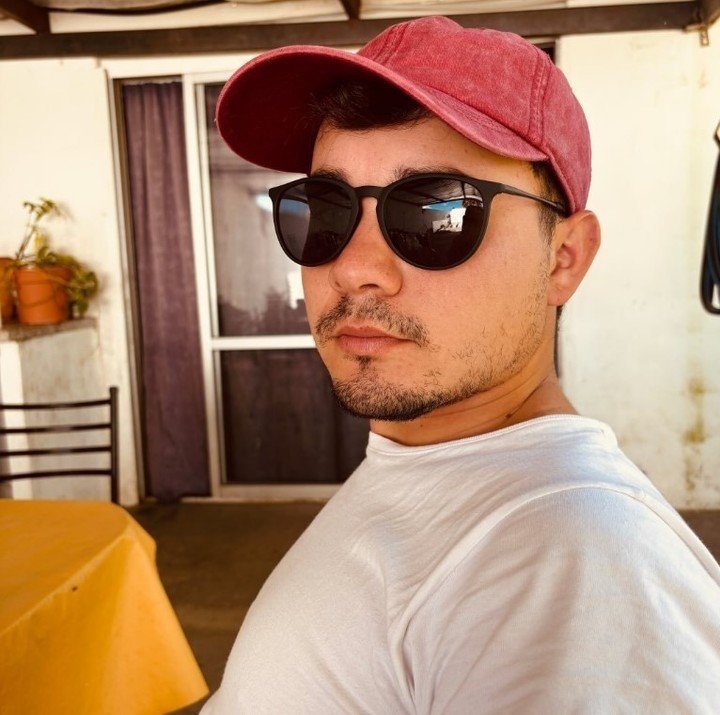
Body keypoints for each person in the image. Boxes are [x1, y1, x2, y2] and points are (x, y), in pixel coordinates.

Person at [202, 16, 720, 712]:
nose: (354, 268)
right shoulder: (440, 472)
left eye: (434, 214)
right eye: (323, 211)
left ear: (563, 259)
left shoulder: (572, 559)